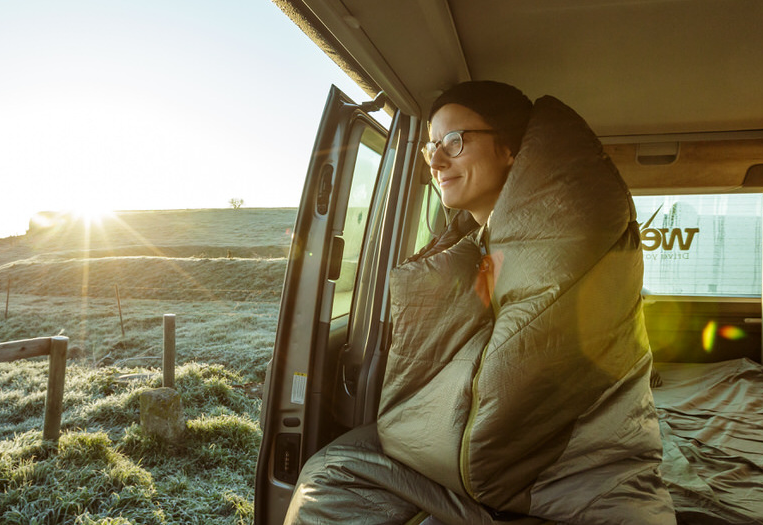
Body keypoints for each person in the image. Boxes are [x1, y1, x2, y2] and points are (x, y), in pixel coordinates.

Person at [285, 81, 674, 524]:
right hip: (510, 478)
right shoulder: (484, 243)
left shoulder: (565, 236)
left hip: (578, 474)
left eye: (455, 141)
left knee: (332, 485)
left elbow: (515, 386)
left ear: (509, 150)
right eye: (431, 147)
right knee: (331, 475)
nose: (436, 160)